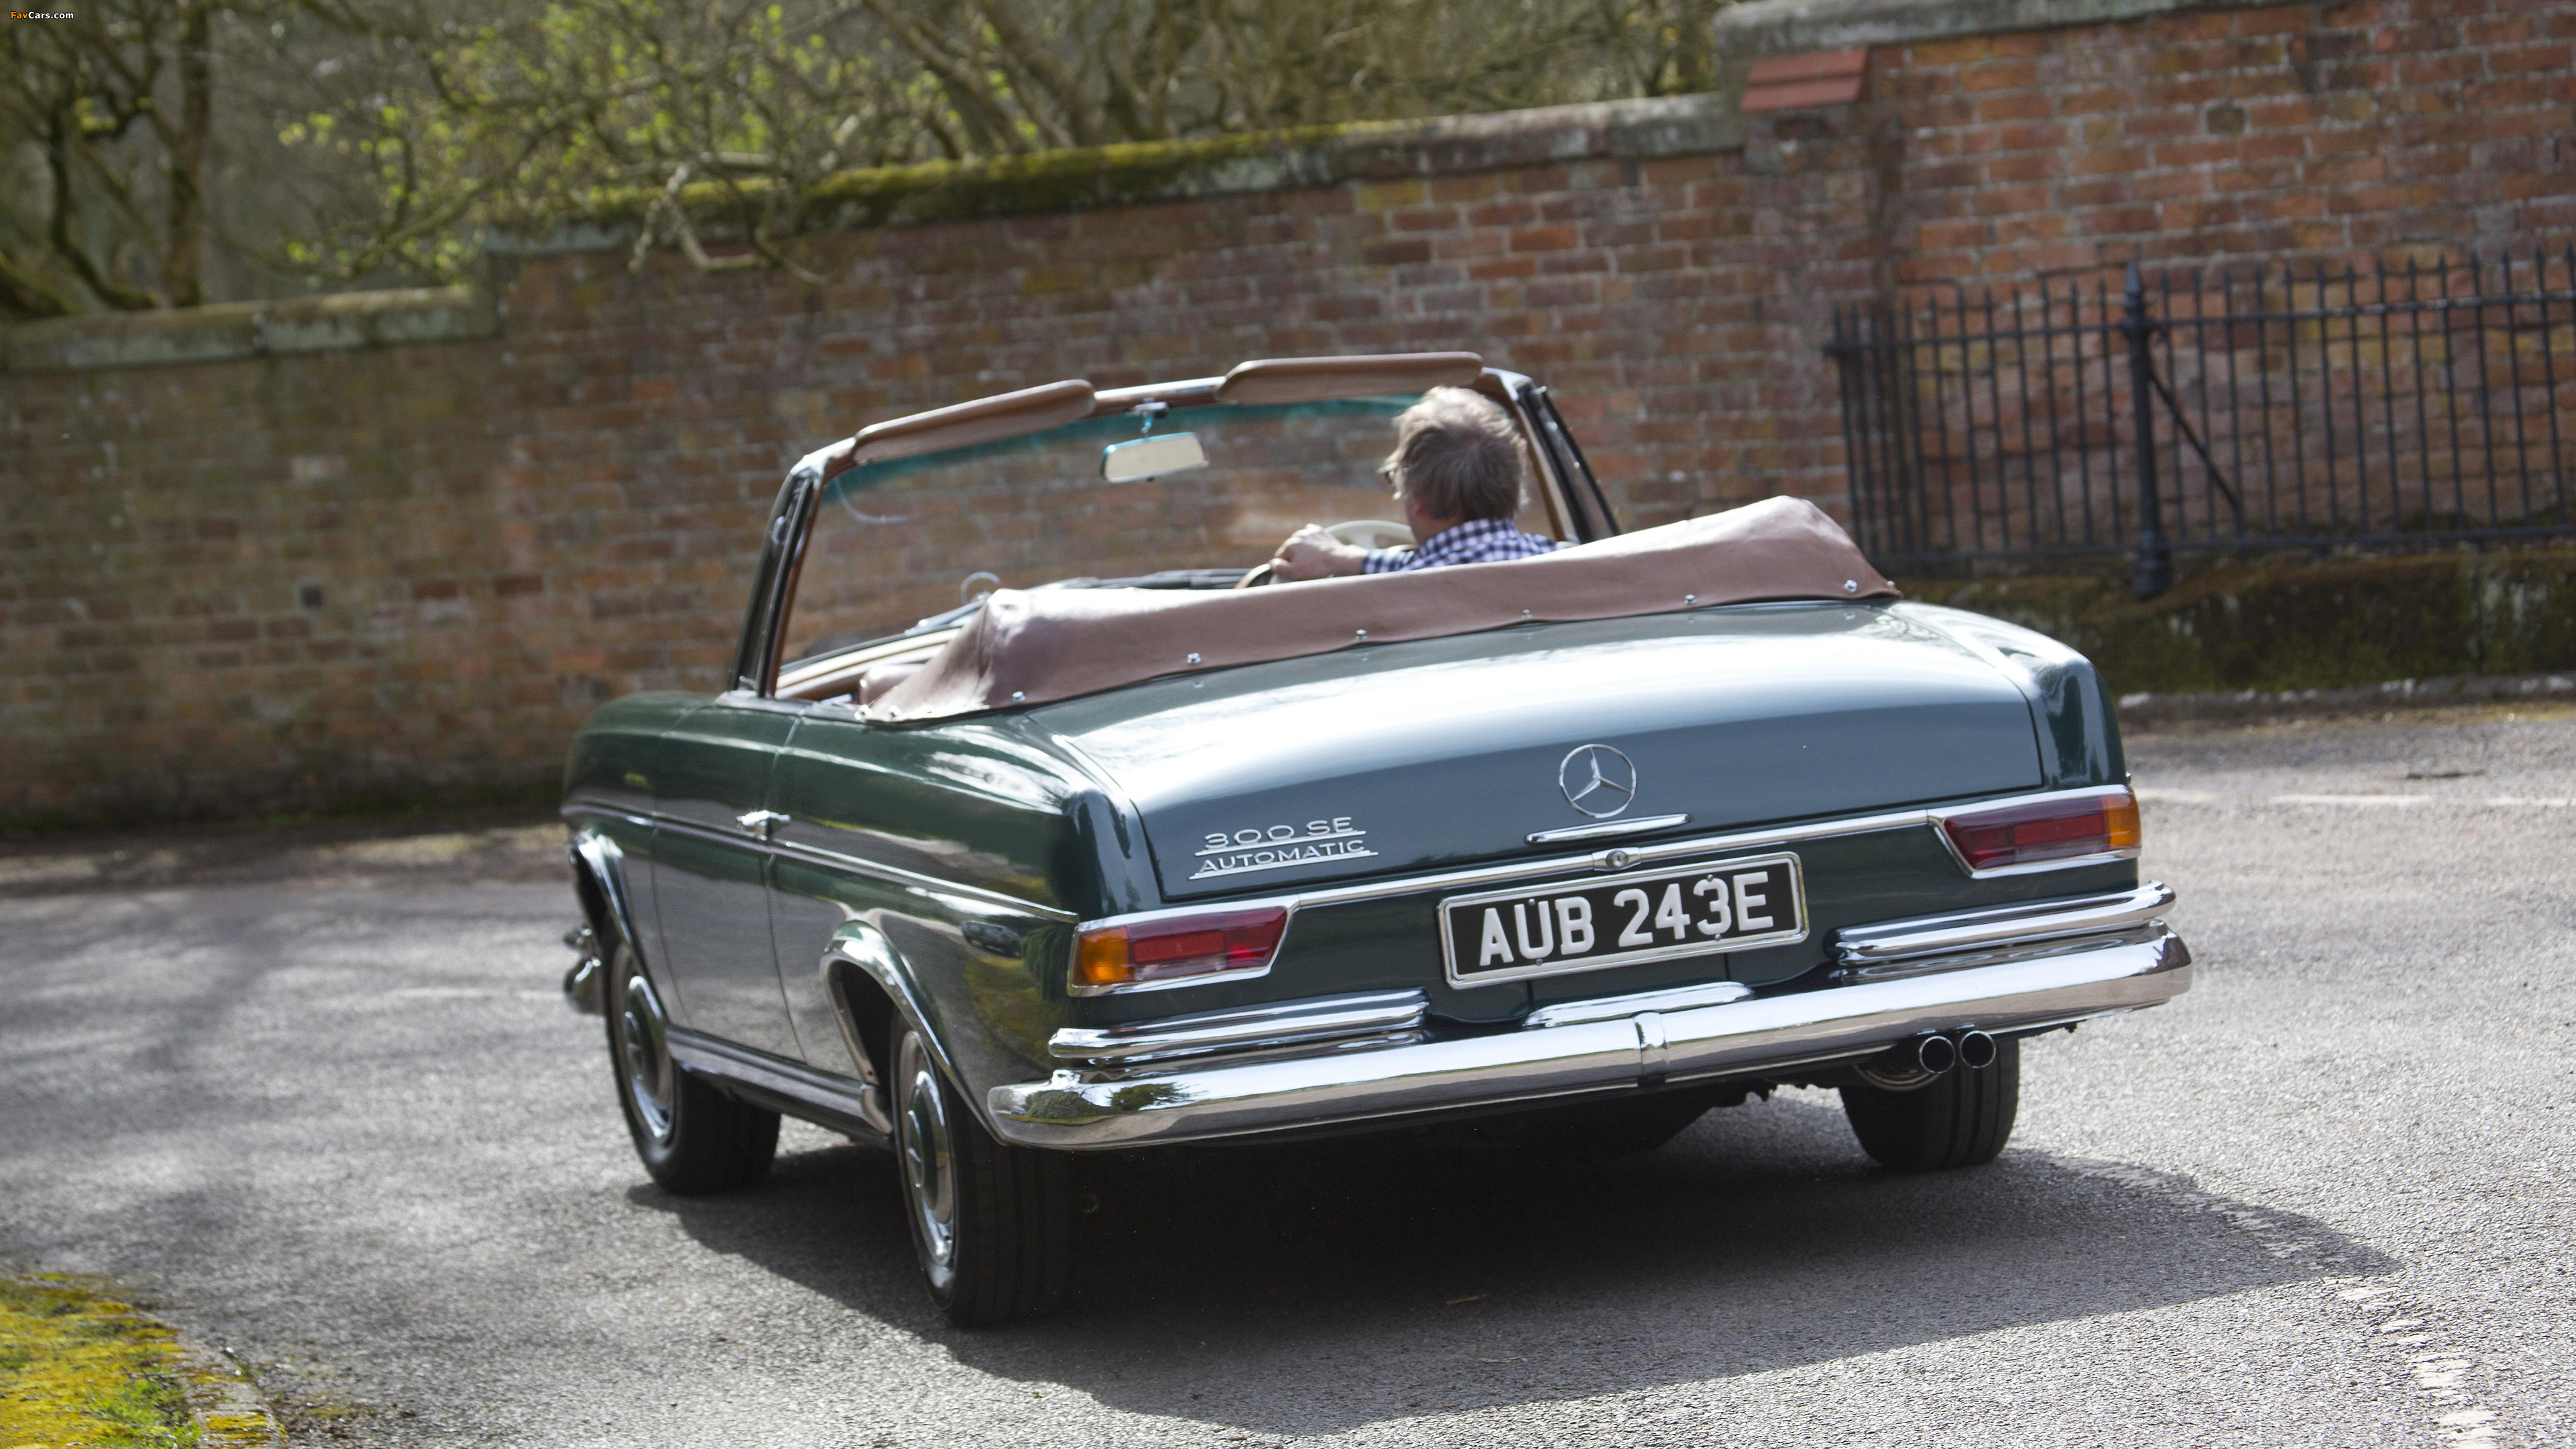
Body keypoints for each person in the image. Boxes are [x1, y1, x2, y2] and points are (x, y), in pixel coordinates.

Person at [1268, 386, 1562, 581]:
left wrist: (1335, 559)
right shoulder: (1565, 561)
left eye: (1396, 479)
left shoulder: (1403, 591)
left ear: (1420, 499)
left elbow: (1423, 569)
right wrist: (1344, 559)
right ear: (1513, 484)